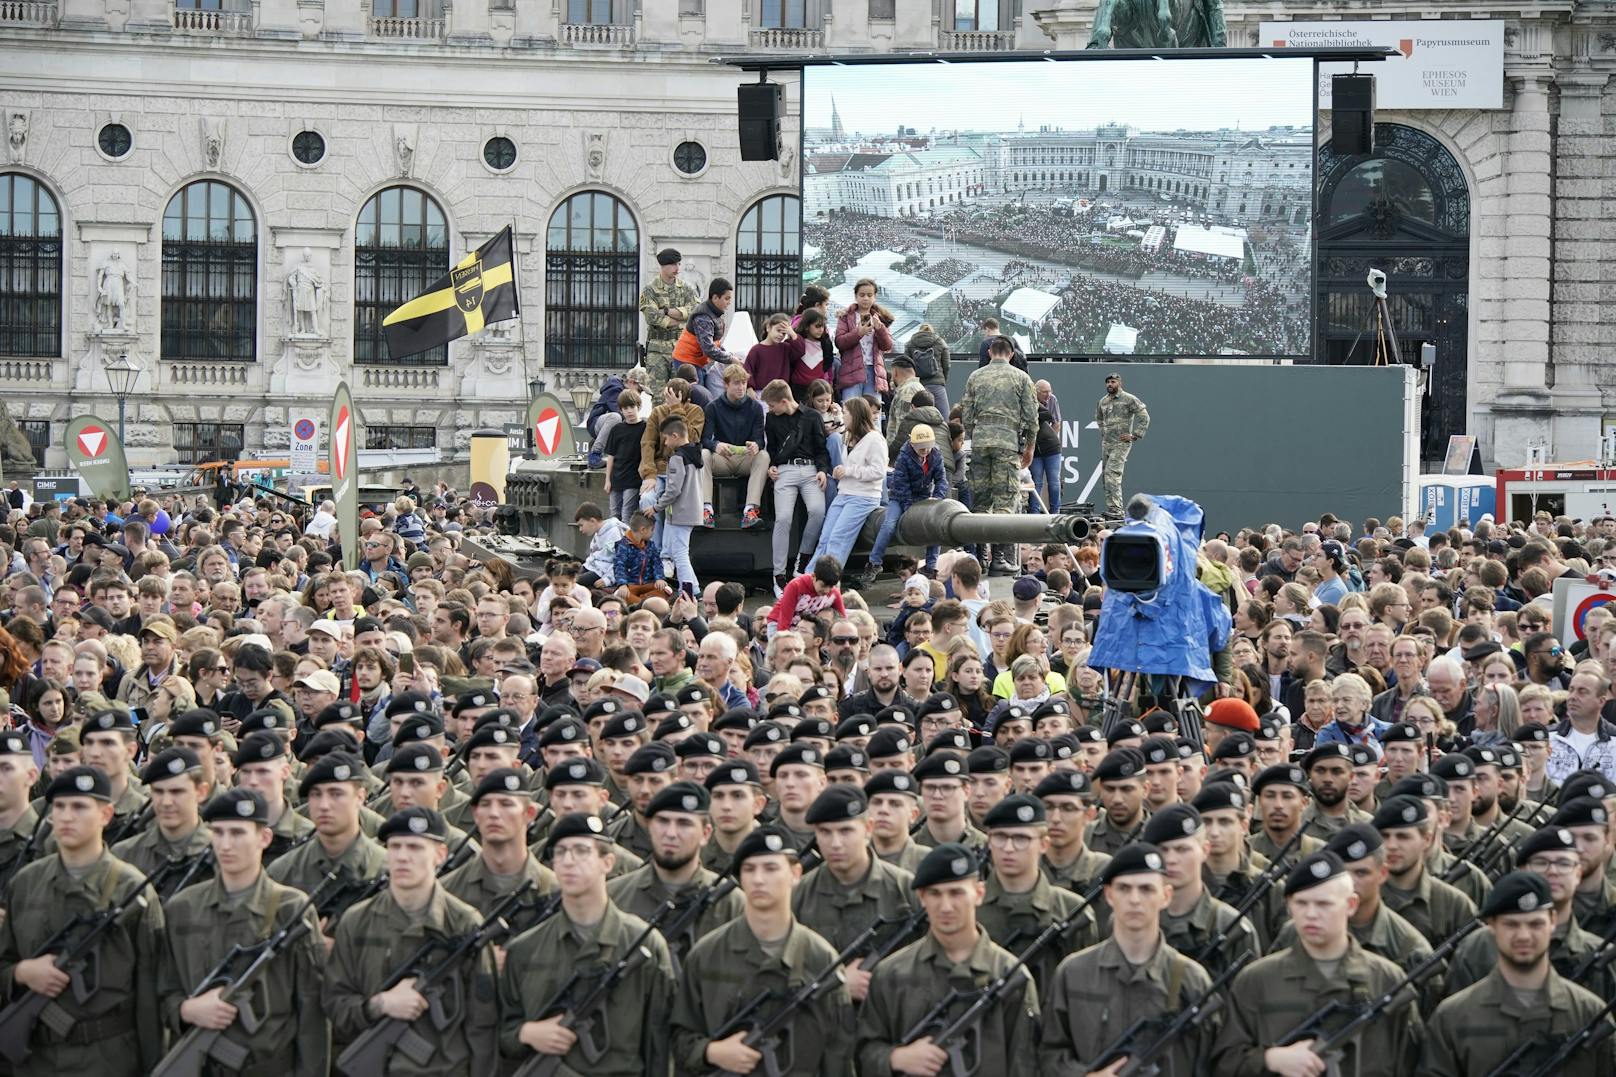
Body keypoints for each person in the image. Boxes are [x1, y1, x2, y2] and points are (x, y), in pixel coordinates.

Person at [0, 765, 167, 1076]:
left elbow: (151, 996)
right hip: (35, 1058)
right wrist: (22, 972)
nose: (66, 816)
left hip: (109, 1058)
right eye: (59, 807)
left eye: (79, 807)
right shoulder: (25, 883)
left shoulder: (132, 890)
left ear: (105, 815)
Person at [160, 788, 327, 1077]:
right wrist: (185, 1010)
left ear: (264, 838)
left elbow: (311, 1012)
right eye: (218, 833)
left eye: (237, 833)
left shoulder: (291, 910)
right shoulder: (182, 907)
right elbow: (161, 989)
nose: (225, 845)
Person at [1212, 850, 1423, 1077]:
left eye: (1323, 904)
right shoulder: (1257, 980)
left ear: (1351, 904)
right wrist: (1270, 1059)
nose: (1311, 914)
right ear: (1289, 905)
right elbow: (1225, 1062)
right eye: (1301, 903)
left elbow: (1414, 1062)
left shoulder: (1388, 979)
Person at [498, 811, 676, 1074]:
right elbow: (501, 1034)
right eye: (561, 853)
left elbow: (661, 1045)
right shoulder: (526, 948)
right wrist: (525, 1033)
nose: (569, 861)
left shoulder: (642, 943)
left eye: (581, 851)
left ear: (608, 862)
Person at [668, 825, 855, 1075]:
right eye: (749, 869)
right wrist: (711, 1052)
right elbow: (679, 1037)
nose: (758, 879)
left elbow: (840, 1054)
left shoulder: (821, 958)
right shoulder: (707, 954)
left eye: (770, 868)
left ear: (796, 873)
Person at [326, 807, 498, 1075]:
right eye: (395, 847)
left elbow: (483, 1022)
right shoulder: (356, 921)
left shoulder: (464, 925)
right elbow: (335, 1005)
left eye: (415, 848)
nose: (403, 857)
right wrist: (379, 1004)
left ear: (440, 855)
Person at [856, 841, 1041, 1075]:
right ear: (921, 898)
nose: (945, 906)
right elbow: (863, 1051)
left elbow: (1025, 1064)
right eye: (935, 894)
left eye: (956, 893)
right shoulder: (892, 973)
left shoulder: (1010, 975)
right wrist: (895, 1058)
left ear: (979, 893)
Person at [1040, 842, 1217, 1076]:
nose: (1134, 899)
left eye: (1146, 889)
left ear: (1166, 896)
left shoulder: (1190, 979)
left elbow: (1213, 1062)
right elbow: (1049, 1055)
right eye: (1124, 888)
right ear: (1109, 895)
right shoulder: (1074, 973)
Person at [1420, 870, 1616, 1077]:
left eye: (1535, 924)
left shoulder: (1588, 1013)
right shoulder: (1454, 1017)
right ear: (1492, 926)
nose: (1523, 935)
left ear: (1552, 922)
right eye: (1511, 924)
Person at [960, 336, 1038, 576]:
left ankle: (981, 558)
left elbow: (966, 415)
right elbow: (1032, 417)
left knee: (981, 502)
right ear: (1012, 354)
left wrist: (979, 434)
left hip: (981, 444)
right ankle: (1000, 560)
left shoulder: (976, 376)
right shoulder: (1021, 377)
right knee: (1005, 502)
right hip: (1006, 445)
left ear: (991, 351)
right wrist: (1029, 447)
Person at [761, 379, 831, 594]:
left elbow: (821, 448)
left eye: (772, 405)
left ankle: (804, 558)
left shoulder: (811, 416)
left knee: (818, 511)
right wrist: (772, 466)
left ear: (783, 401)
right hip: (785, 471)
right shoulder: (772, 419)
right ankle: (778, 574)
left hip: (810, 470)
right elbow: (772, 448)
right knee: (783, 518)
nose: (770, 409)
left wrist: (821, 469)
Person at [862, 422, 947, 587]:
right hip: (900, 499)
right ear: (912, 444)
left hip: (924, 496)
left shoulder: (935, 455)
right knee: (888, 525)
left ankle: (930, 567)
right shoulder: (903, 457)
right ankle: (874, 563)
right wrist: (910, 510)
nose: (925, 451)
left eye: (928, 447)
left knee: (935, 526)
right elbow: (901, 485)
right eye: (921, 448)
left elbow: (941, 479)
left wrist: (937, 497)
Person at [812, 396, 887, 570]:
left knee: (838, 539)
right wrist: (842, 470)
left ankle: (827, 581)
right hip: (844, 493)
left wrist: (848, 471)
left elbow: (878, 472)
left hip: (863, 497)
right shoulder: (849, 436)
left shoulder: (875, 439)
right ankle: (810, 580)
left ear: (855, 415)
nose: (843, 417)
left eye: (845, 413)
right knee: (825, 537)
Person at [701, 363, 768, 529]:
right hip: (723, 458)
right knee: (703, 454)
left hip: (746, 458)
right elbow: (705, 439)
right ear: (726, 384)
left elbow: (760, 440)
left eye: (744, 383)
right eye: (736, 383)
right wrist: (716, 445)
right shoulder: (713, 407)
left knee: (763, 456)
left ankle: (750, 510)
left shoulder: (755, 408)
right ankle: (706, 510)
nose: (741, 387)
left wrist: (756, 445)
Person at [638, 248, 698, 403]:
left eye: (678, 264)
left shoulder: (686, 289)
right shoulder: (650, 290)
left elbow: (694, 311)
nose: (677, 268)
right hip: (657, 351)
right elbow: (651, 317)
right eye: (672, 264)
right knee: (658, 398)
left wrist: (665, 311)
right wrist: (680, 318)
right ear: (663, 266)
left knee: (680, 394)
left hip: (680, 347)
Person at [652, 416, 701, 599]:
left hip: (680, 512)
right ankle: (693, 586)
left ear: (674, 436)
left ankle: (689, 591)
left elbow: (673, 490)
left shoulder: (677, 459)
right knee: (679, 551)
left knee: (680, 553)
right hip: (691, 511)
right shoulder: (696, 455)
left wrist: (656, 507)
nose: (664, 442)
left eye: (665, 438)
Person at [1095, 372, 1150, 518]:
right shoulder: (1103, 401)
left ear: (1120, 383)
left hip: (1121, 443)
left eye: (1113, 382)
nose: (1110, 384)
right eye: (1108, 382)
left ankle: (1116, 510)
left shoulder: (1129, 399)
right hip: (1107, 443)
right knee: (1106, 477)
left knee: (1112, 473)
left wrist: (1135, 435)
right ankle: (1111, 508)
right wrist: (1104, 431)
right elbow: (1099, 418)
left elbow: (1144, 417)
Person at [671, 278, 736, 400]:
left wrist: (728, 354)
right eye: (727, 298)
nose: (729, 302)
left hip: (698, 362)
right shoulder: (703, 317)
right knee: (696, 398)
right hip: (687, 362)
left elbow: (714, 344)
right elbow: (708, 348)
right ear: (715, 297)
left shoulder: (714, 313)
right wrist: (730, 358)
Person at [832, 279, 893, 404]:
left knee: (872, 414)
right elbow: (840, 342)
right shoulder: (846, 317)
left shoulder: (879, 318)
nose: (866, 298)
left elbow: (887, 346)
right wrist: (859, 333)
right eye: (862, 295)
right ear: (856, 296)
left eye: (869, 295)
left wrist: (880, 329)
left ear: (875, 297)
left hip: (874, 371)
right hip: (852, 371)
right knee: (851, 411)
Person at [600, 388, 646, 524]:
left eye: (632, 407)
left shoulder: (645, 427)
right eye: (625, 408)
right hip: (616, 479)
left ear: (639, 406)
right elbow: (611, 456)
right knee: (614, 515)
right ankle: (616, 543)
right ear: (621, 410)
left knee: (627, 514)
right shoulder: (617, 429)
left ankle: (625, 544)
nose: (629, 411)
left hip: (633, 480)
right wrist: (607, 480)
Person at [905, 321, 952, 417]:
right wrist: (942, 381)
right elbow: (947, 365)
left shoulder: (910, 344)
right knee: (944, 417)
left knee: (915, 416)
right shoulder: (940, 342)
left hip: (917, 386)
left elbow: (906, 365)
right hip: (936, 385)